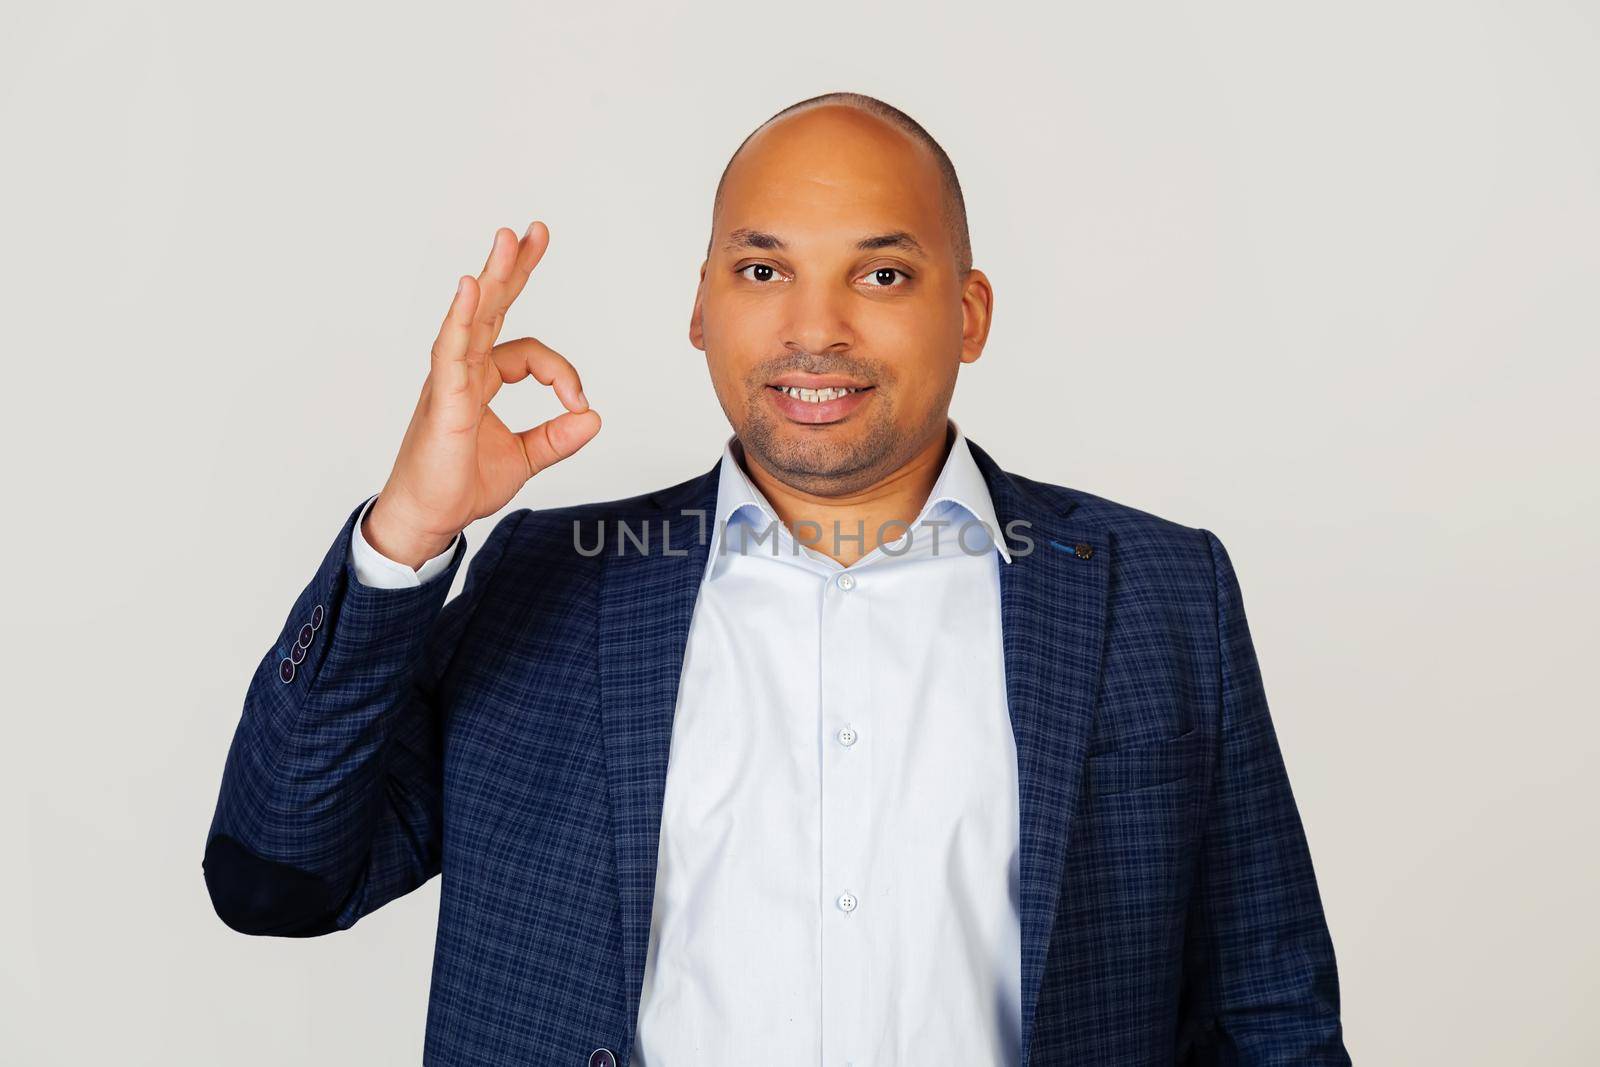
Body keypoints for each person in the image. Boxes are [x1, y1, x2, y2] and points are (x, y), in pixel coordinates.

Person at [202, 92, 1350, 1066]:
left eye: (883, 274)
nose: (815, 328)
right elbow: (276, 881)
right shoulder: (550, 583)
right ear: (701, 307)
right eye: (763, 268)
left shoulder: (1156, 592)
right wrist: (409, 530)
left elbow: (1268, 1009)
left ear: (969, 311)